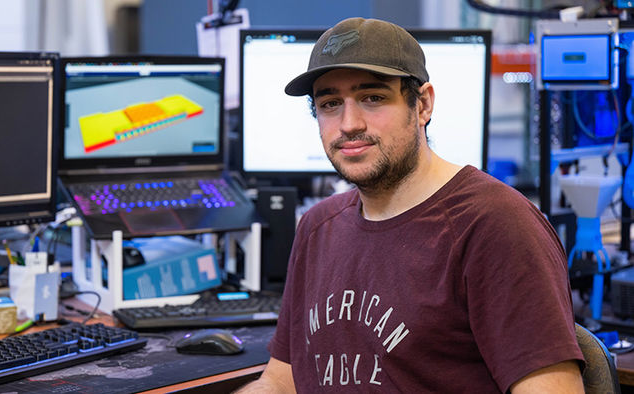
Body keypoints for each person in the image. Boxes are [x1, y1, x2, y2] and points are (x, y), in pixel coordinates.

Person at [236, 17, 584, 393]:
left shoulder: (495, 224)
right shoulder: (318, 227)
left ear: (422, 105)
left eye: (373, 98)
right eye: (330, 103)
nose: (349, 123)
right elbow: (281, 380)